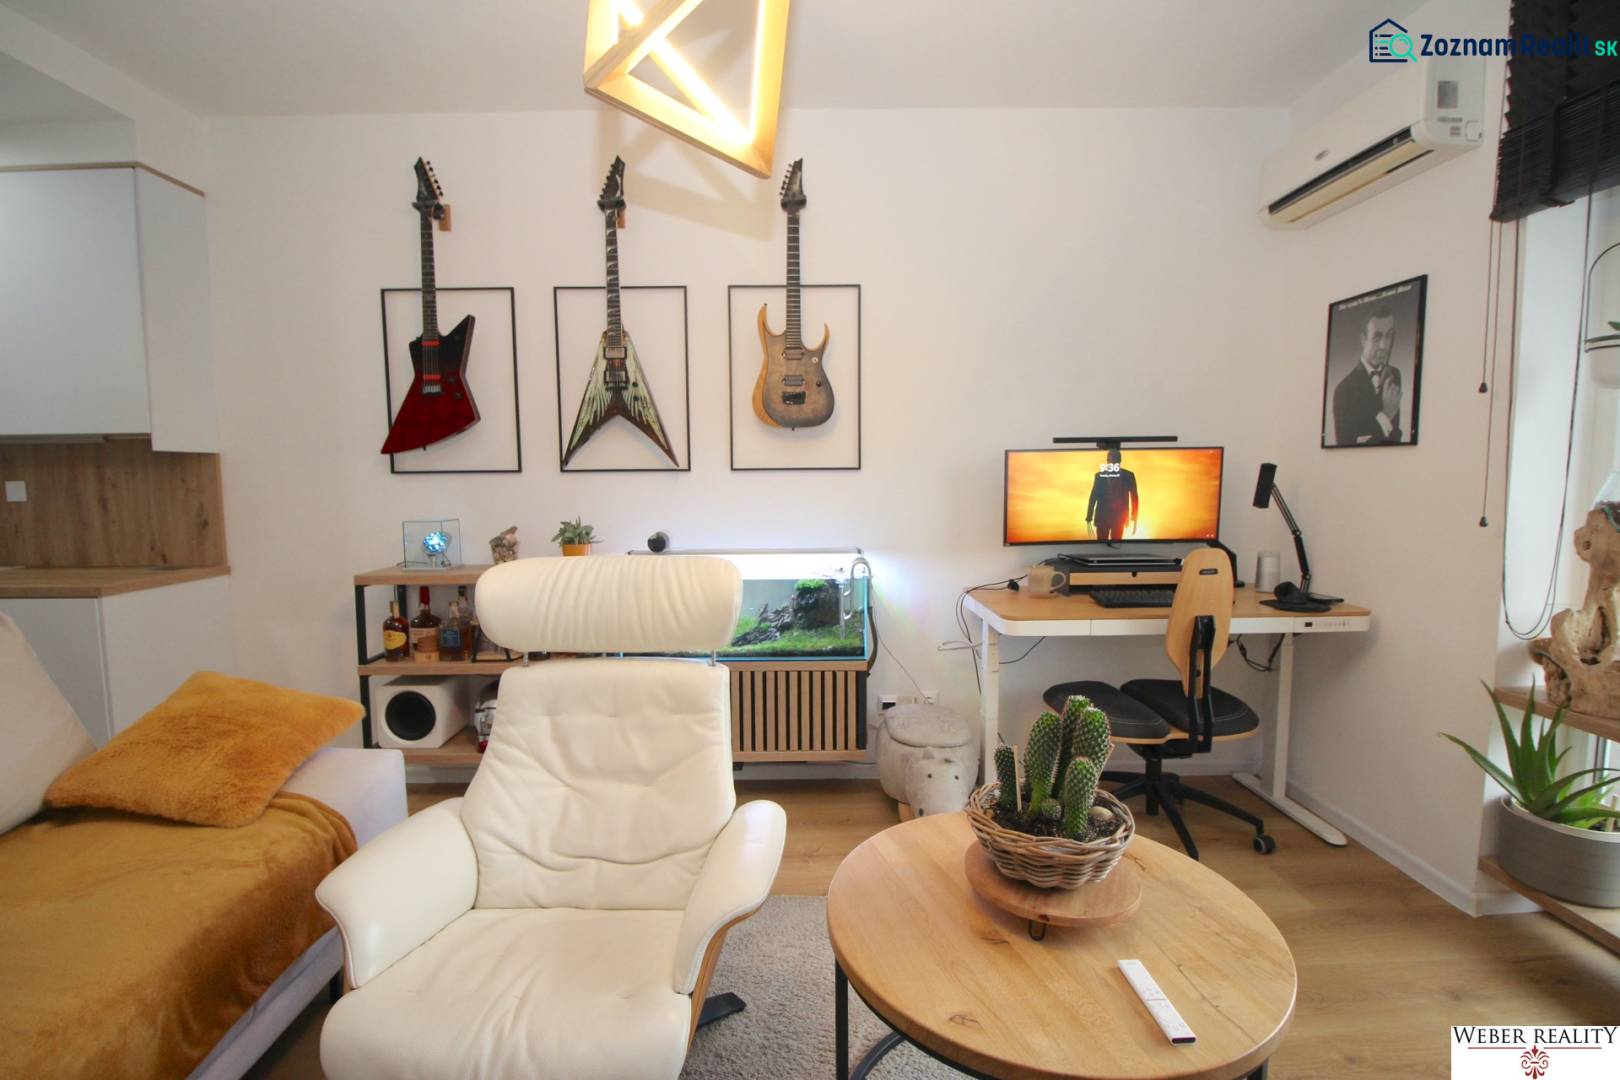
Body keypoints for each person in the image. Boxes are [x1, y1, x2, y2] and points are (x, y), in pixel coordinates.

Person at [1332, 307, 1403, 446]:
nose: (1384, 345)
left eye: (1389, 335)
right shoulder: (1343, 390)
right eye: (1377, 337)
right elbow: (1347, 445)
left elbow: (1395, 434)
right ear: (1363, 339)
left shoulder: (1395, 374)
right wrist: (1386, 414)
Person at [1085, 448, 1138, 542]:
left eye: (1115, 459)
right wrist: (1089, 516)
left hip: (1119, 517)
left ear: (1120, 460)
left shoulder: (1128, 475)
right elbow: (1093, 497)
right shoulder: (1099, 476)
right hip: (1102, 517)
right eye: (1110, 459)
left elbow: (1134, 497)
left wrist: (1134, 516)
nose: (1112, 462)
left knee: (1116, 544)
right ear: (1107, 461)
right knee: (1101, 545)